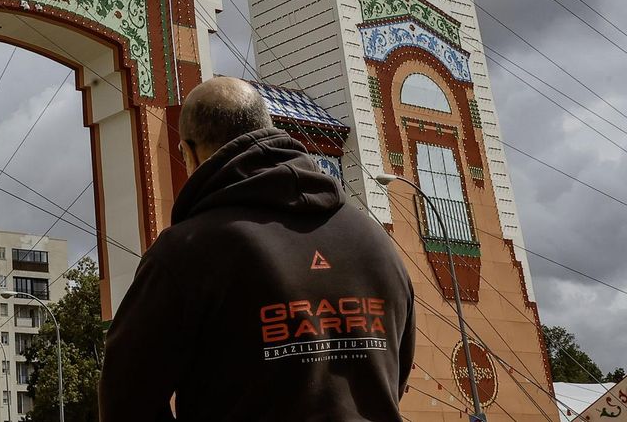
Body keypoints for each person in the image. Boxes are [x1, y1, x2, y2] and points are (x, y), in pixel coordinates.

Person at [100, 77, 414, 421]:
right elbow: (392, 379)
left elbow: (125, 398)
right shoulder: (375, 242)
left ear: (188, 152)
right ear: (269, 128)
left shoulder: (186, 252)